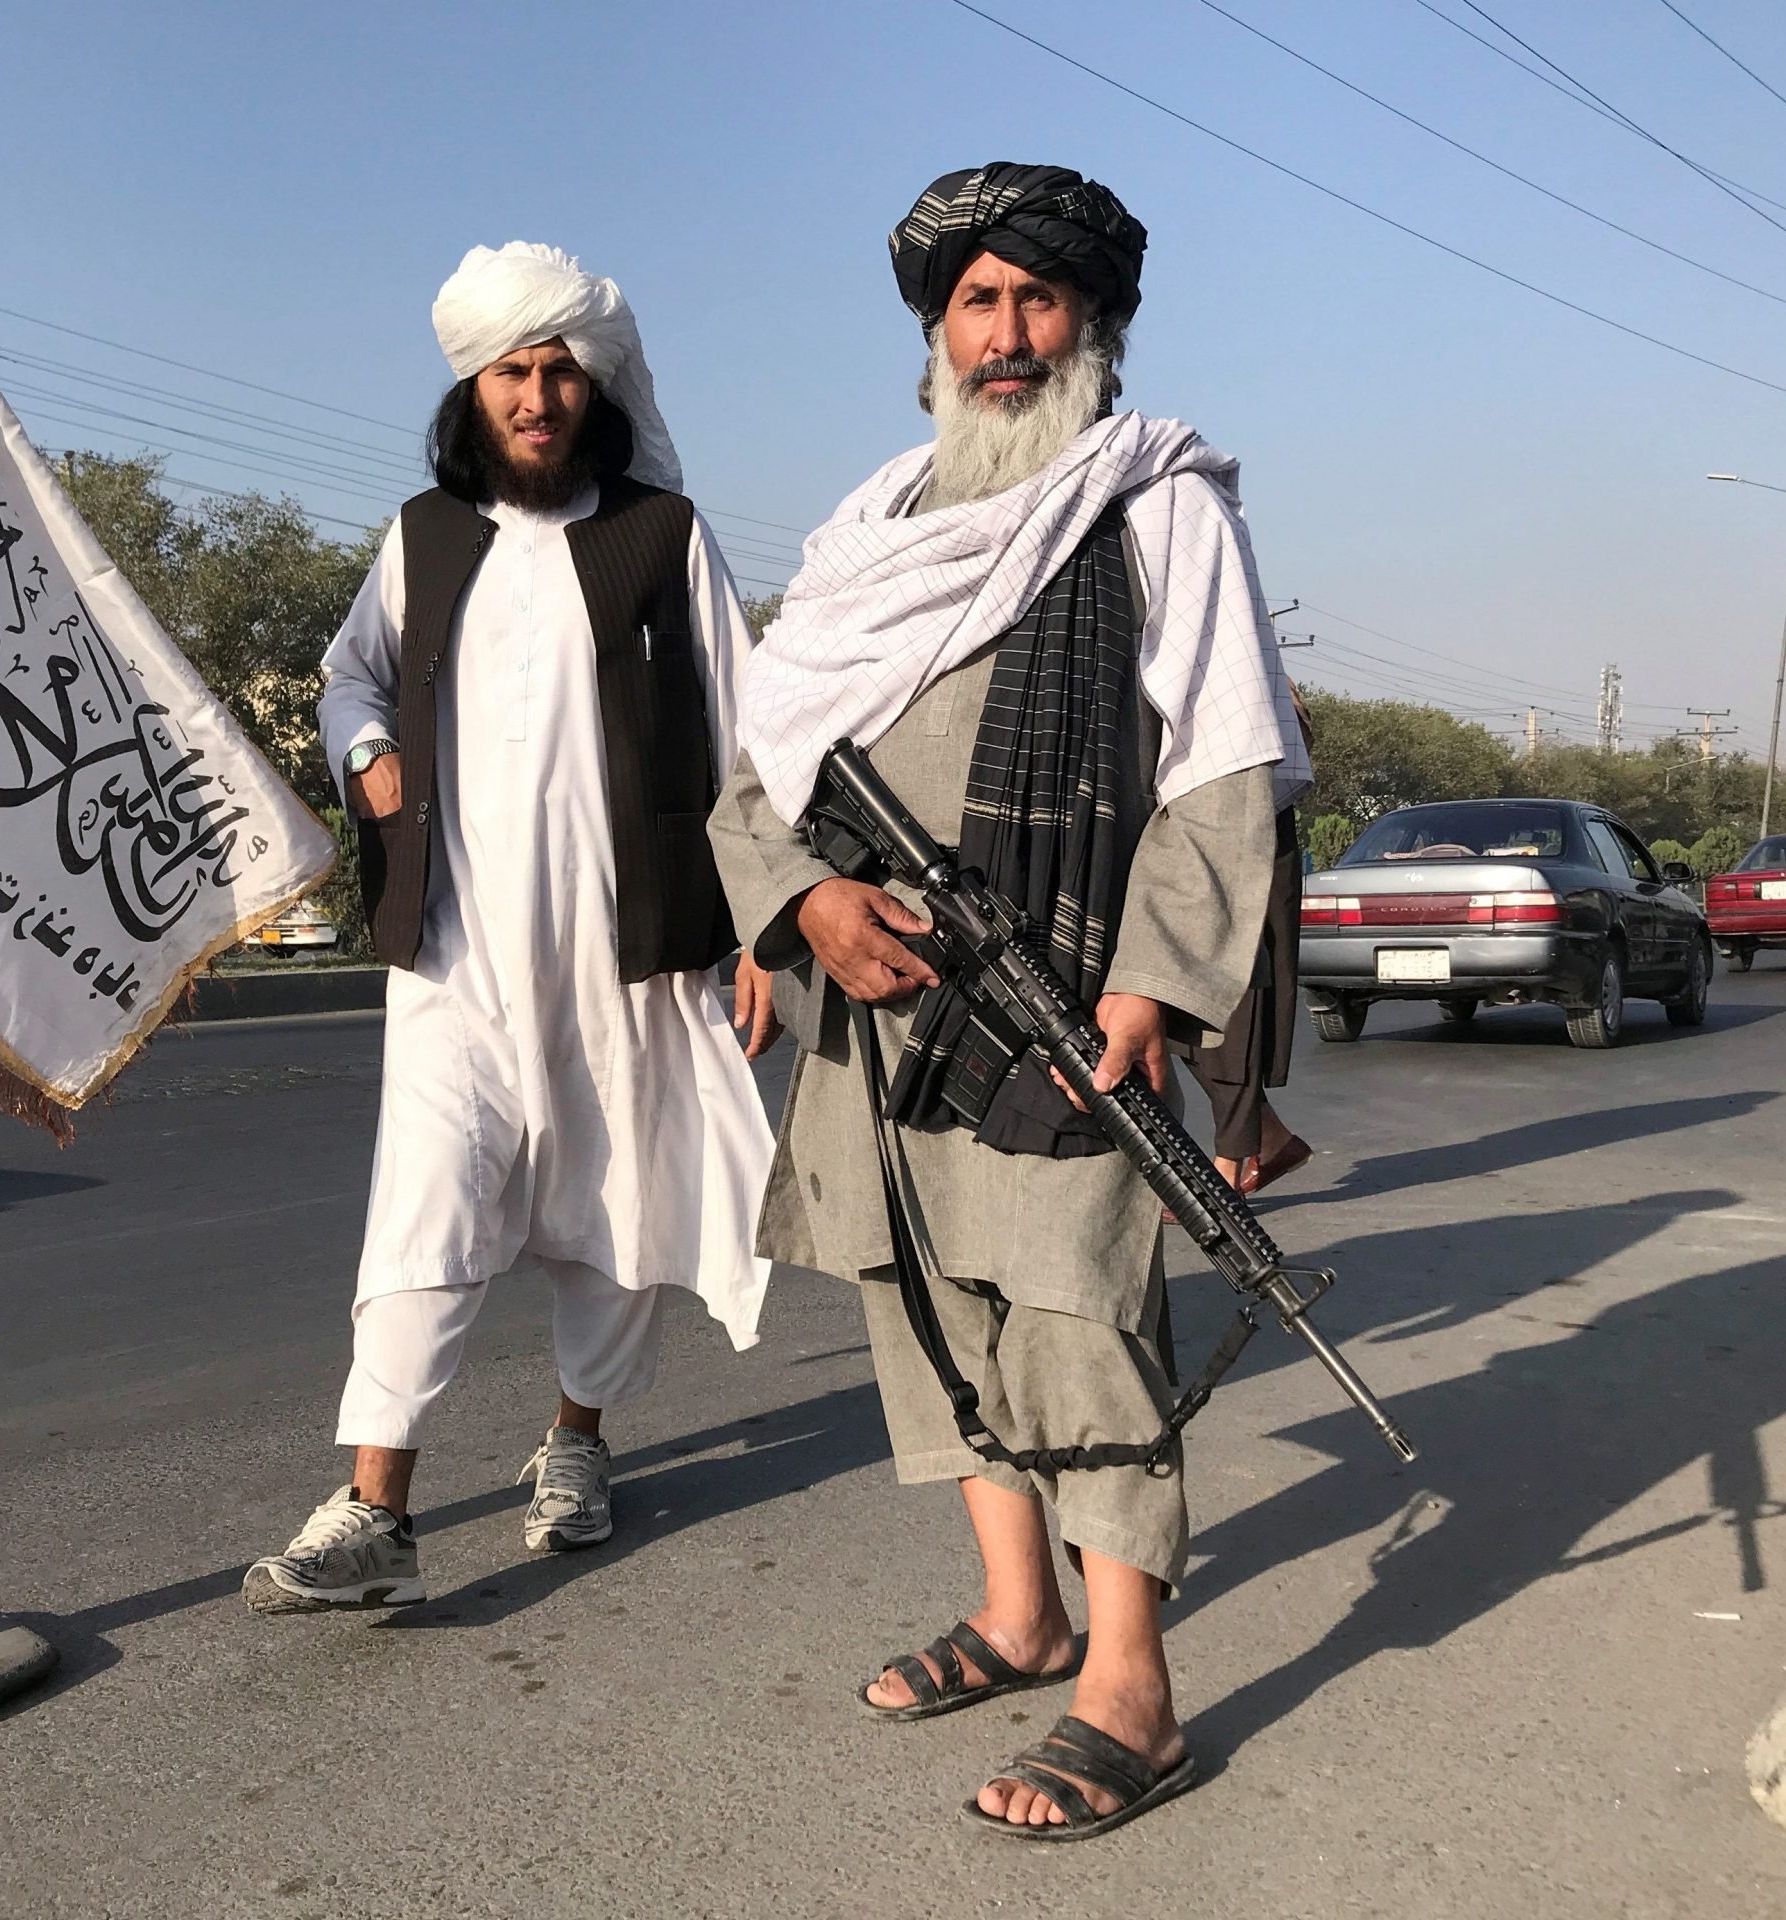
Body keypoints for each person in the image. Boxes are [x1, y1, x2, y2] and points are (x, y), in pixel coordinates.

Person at [709, 163, 1305, 1838]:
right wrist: (809, 901)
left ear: (1094, 323)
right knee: (924, 1306)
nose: (1009, 333)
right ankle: (1016, 1611)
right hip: (875, 997)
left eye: (1040, 300)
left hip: (1061, 1000)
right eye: (977, 302)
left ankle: (1130, 1679)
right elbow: (759, 772)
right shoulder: (866, 533)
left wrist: (1157, 983)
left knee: (1076, 1314)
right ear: (934, 334)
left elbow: (1225, 771)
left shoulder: (1151, 505)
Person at [244, 243, 779, 1614]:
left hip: (633, 949)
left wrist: (766, 930)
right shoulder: (424, 535)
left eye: (558, 372)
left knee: (619, 1205)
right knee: (421, 1211)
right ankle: (377, 1509)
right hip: (454, 951)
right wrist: (364, 749)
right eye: (510, 374)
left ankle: (578, 1445)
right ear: (470, 390)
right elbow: (349, 673)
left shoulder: (664, 535)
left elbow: (748, 730)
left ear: (593, 387)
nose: (537, 398)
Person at [1183, 687, 1313, 1197]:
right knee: (1176, 1014)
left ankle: (1232, 1161)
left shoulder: (1251, 676)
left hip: (1247, 838)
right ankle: (1268, 1139)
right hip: (1204, 838)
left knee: (1228, 1010)